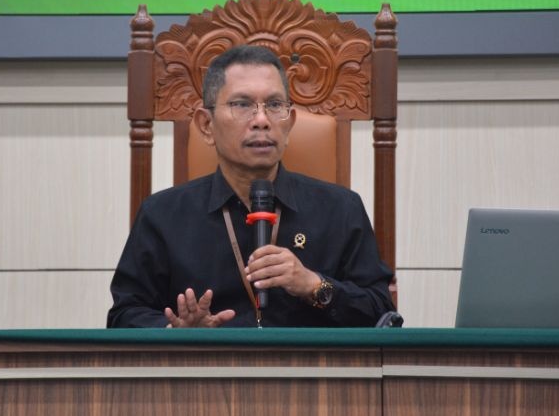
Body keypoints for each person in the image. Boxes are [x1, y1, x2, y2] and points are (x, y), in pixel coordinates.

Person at [107, 45, 395, 328]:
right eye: (242, 105)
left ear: (290, 123)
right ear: (206, 125)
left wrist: (314, 285)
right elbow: (124, 315)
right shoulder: (163, 215)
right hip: (204, 361)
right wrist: (176, 334)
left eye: (274, 105)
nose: (261, 120)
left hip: (311, 361)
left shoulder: (341, 209)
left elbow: (382, 313)